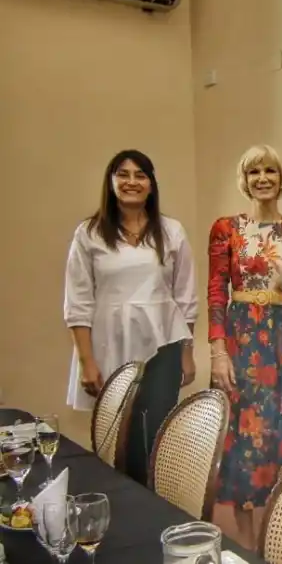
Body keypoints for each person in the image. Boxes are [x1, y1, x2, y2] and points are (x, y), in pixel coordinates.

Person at [64, 149, 198, 486]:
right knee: (115, 438)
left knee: (154, 438)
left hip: (164, 347)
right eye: (123, 174)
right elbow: (78, 301)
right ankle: (117, 506)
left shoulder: (171, 231)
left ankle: (153, 507)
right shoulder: (89, 233)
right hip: (109, 345)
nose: (132, 182)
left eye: (140, 175)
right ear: (111, 182)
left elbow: (185, 297)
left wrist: (186, 353)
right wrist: (86, 361)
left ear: (151, 185)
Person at [207, 144, 282, 551]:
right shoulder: (226, 228)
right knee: (244, 443)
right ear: (245, 179)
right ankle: (249, 546)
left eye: (270, 170)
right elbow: (216, 292)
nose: (263, 178)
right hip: (242, 343)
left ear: (281, 178)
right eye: (254, 172)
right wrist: (218, 352)